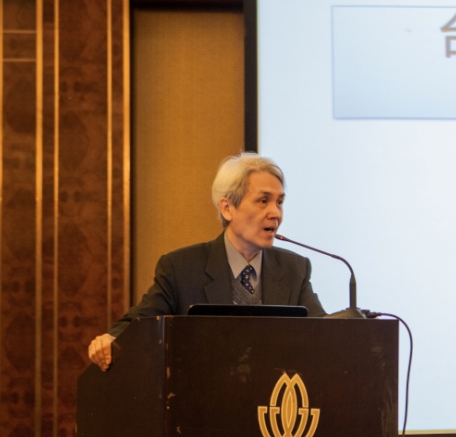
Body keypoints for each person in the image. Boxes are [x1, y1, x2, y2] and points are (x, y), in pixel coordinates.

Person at [87, 153, 326, 370]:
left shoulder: (295, 269)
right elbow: (136, 325)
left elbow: (325, 332)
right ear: (227, 208)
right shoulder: (181, 269)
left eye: (279, 202)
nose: (276, 213)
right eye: (263, 201)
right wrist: (110, 339)